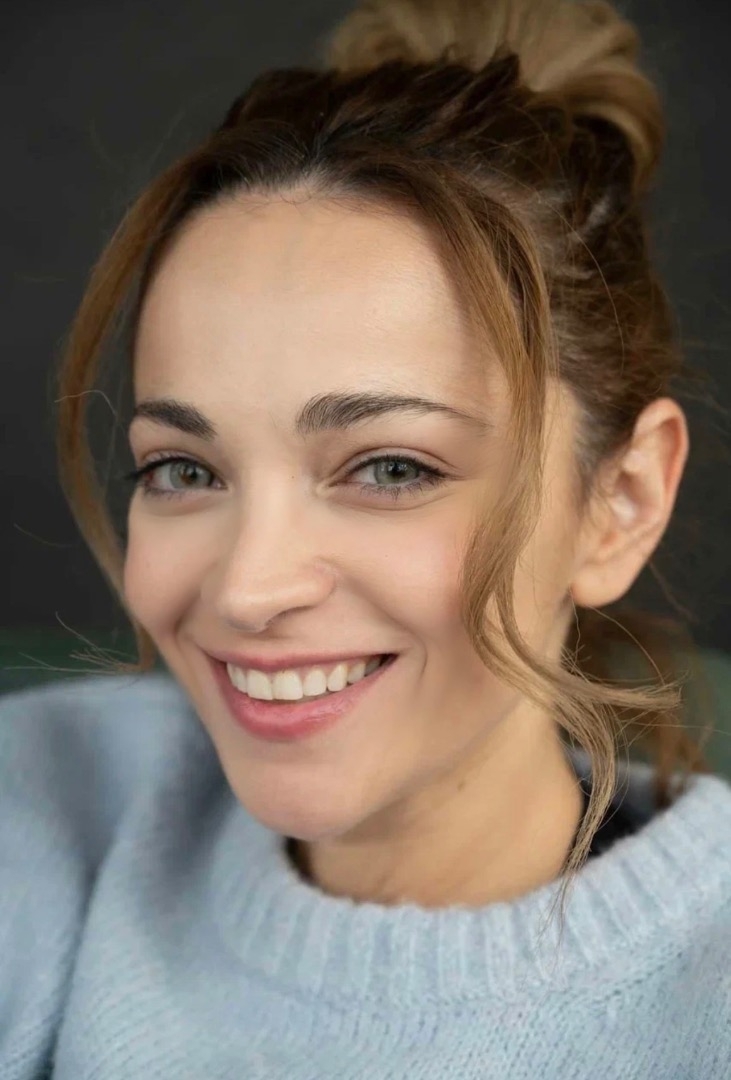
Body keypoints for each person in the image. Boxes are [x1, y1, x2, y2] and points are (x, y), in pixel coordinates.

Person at [2, 0, 730, 1076]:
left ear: (617, 502)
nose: (248, 589)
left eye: (390, 469)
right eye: (184, 470)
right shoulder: (41, 807)